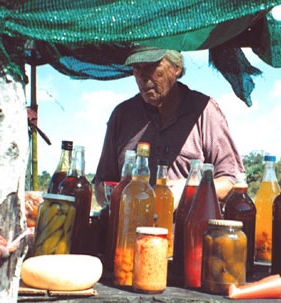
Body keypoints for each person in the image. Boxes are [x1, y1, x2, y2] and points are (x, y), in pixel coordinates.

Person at [93, 45, 244, 208]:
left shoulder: (205, 111)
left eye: (152, 65)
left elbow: (231, 182)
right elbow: (102, 183)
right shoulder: (122, 115)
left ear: (176, 67)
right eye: (137, 68)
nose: (143, 76)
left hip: (188, 229)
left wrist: (191, 189)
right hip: (131, 228)